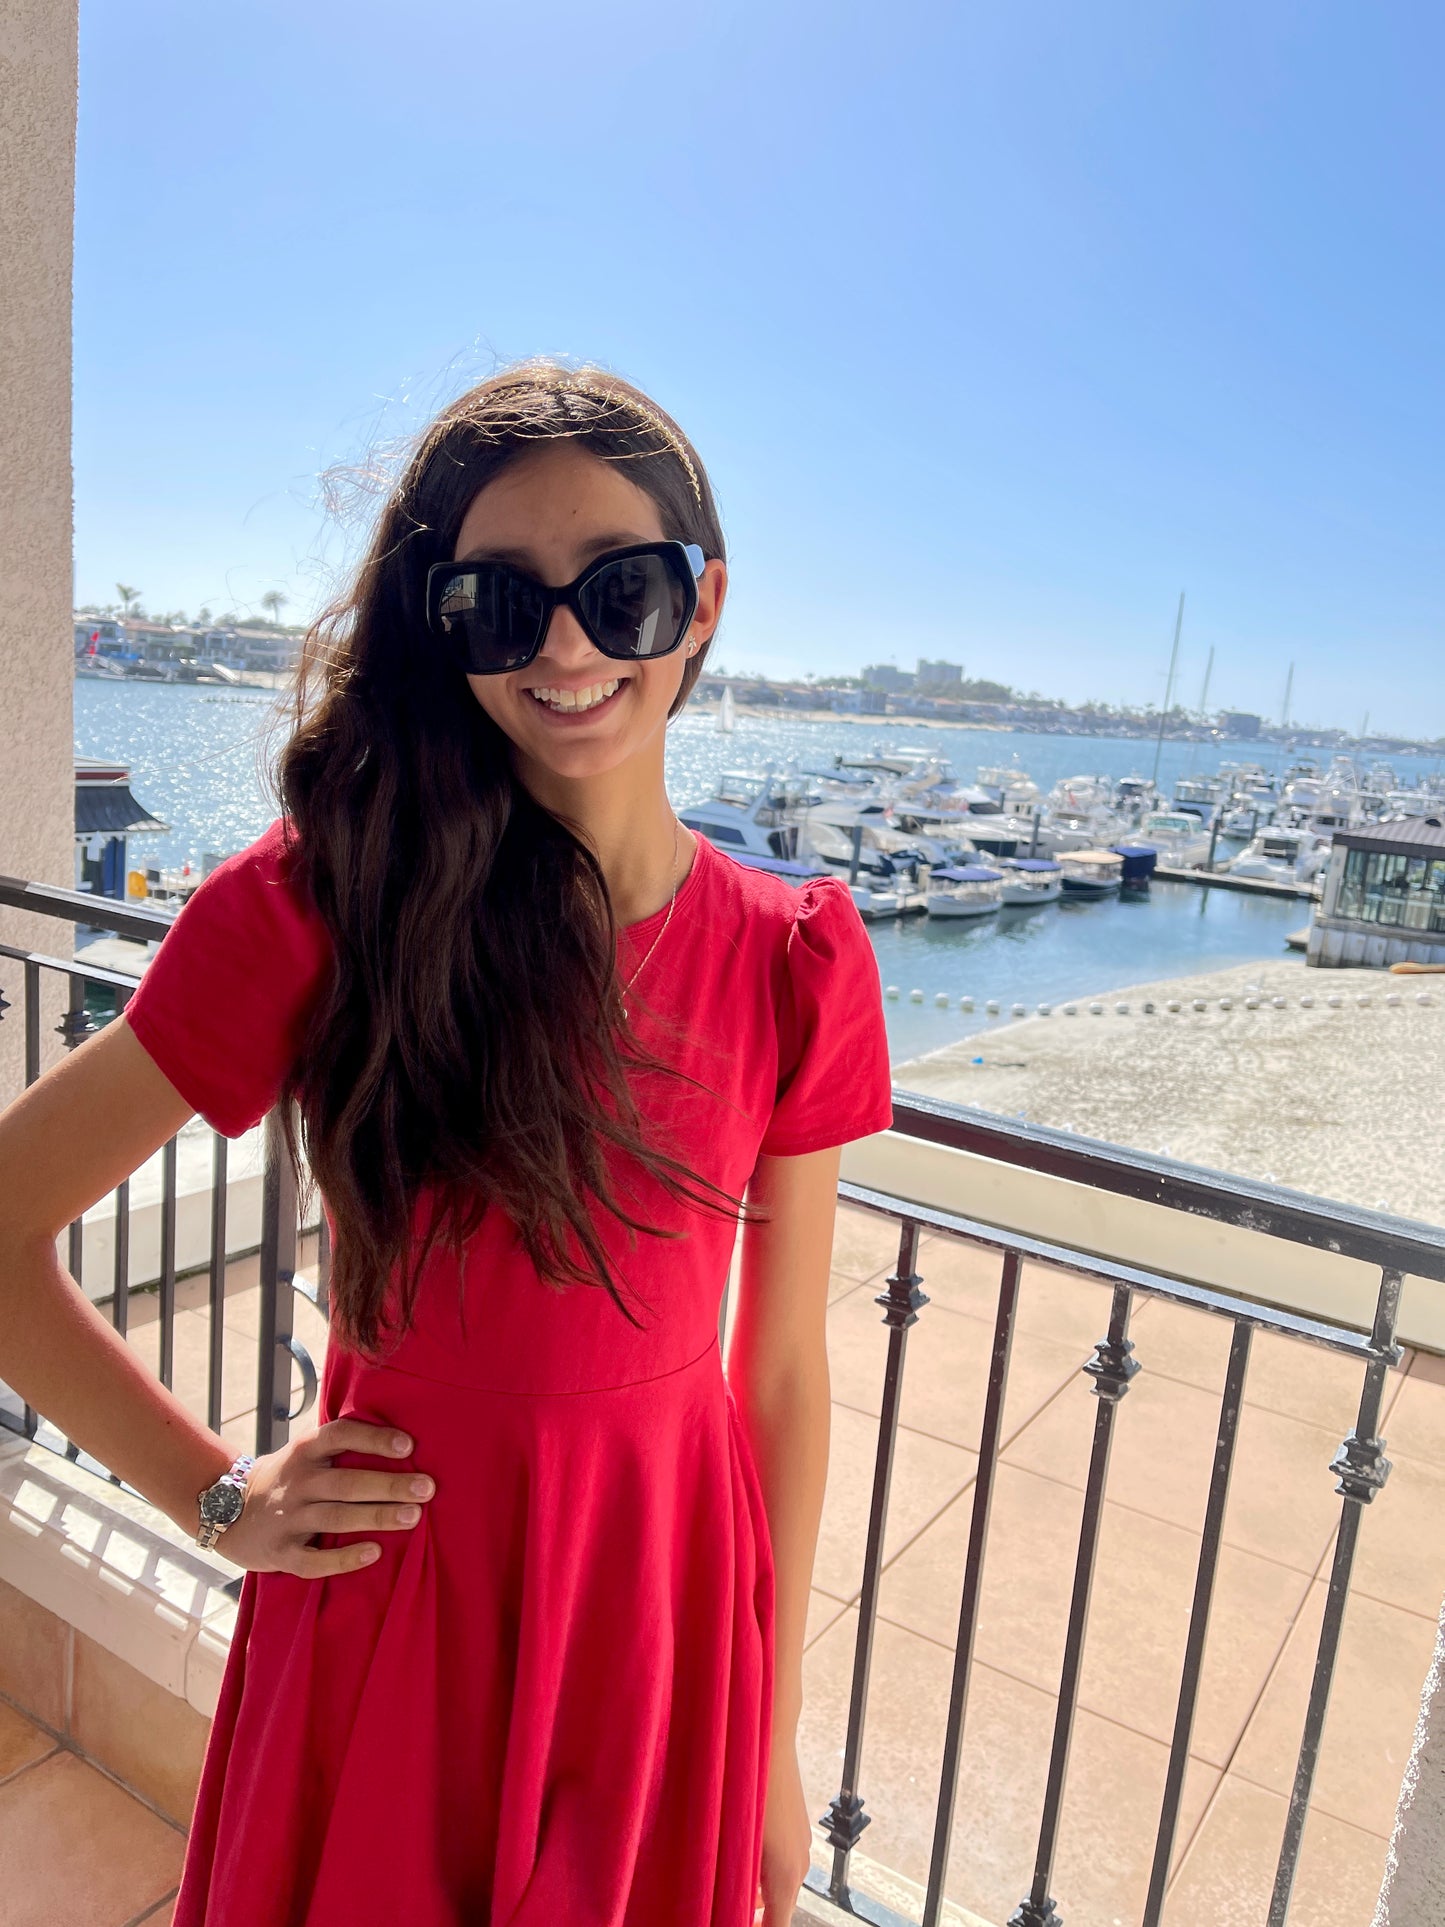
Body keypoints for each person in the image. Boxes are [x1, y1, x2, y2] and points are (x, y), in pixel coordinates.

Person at [0, 358, 893, 1926]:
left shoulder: (797, 954)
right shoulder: (320, 910)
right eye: (498, 602)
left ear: (702, 605)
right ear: (441, 622)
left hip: (659, 1615)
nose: (562, 646)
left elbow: (781, 1378)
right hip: (398, 1610)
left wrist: (766, 1725)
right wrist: (215, 1495)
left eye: (620, 591)